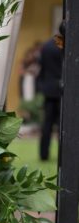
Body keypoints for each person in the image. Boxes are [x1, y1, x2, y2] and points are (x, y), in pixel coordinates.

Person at [37, 25, 64, 161]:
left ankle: (43, 154)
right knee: (62, 125)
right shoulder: (65, 46)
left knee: (47, 124)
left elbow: (41, 68)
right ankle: (62, 156)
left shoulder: (46, 46)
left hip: (48, 89)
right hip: (62, 89)